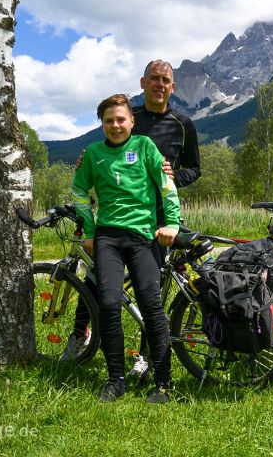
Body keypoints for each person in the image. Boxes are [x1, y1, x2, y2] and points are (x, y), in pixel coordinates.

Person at [61, 59, 201, 378]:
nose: (159, 84)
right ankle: (80, 335)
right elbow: (109, 144)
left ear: (172, 87)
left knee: (151, 291)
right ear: (143, 83)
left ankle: (146, 357)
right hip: (115, 221)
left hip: (159, 218)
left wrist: (173, 175)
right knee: (96, 280)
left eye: (165, 80)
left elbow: (195, 168)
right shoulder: (129, 116)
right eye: (154, 79)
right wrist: (88, 158)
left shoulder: (183, 123)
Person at [72, 93, 180, 403]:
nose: (115, 125)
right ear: (102, 124)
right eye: (109, 121)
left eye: (121, 119)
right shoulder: (93, 154)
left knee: (151, 306)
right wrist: (90, 230)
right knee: (107, 304)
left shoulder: (145, 146)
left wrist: (171, 223)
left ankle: (162, 383)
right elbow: (79, 189)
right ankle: (116, 378)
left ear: (131, 121)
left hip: (142, 238)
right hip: (107, 238)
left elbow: (166, 185)